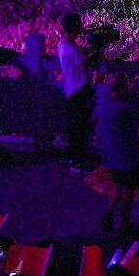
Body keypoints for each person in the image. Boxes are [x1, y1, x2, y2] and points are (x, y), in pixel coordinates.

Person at [95, 71, 139, 235]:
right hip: (126, 155)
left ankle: (109, 213)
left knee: (118, 186)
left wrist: (129, 90)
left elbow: (119, 97)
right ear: (125, 89)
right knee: (128, 191)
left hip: (110, 154)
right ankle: (124, 226)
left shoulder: (104, 102)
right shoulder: (126, 107)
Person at [54, 13, 96, 170]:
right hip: (79, 91)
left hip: (71, 90)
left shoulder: (63, 44)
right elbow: (95, 63)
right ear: (75, 27)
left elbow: (80, 53)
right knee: (81, 128)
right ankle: (78, 163)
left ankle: (77, 160)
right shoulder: (72, 49)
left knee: (75, 128)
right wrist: (102, 47)